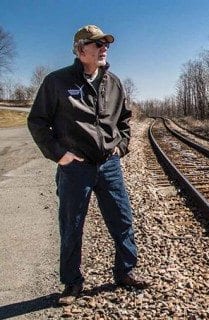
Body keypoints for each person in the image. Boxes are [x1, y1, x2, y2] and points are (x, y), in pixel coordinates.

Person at [27, 25, 149, 306]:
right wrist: (60, 154)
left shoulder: (114, 83)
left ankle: (125, 271)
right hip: (75, 169)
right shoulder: (56, 82)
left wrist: (121, 146)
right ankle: (72, 283)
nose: (104, 47)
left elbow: (124, 121)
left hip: (108, 165)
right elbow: (37, 122)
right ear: (81, 50)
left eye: (106, 43)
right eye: (97, 44)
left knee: (122, 219)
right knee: (72, 225)